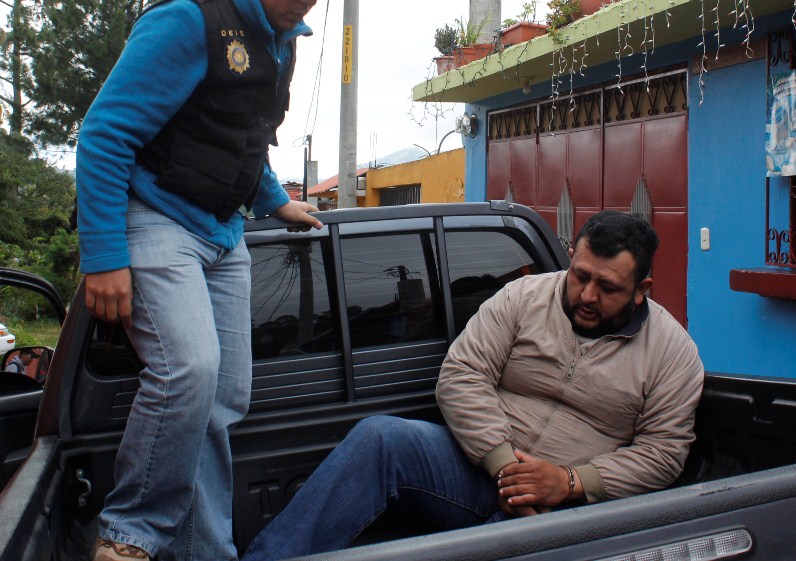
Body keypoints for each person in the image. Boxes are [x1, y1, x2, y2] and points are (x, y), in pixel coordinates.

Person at [241, 211, 705, 561]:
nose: (587, 295)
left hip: (570, 509)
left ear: (641, 289)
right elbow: (462, 374)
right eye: (580, 276)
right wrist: (504, 466)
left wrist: (568, 483)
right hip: (477, 468)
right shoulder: (523, 297)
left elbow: (664, 452)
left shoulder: (672, 352)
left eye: (607, 287)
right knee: (380, 437)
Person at [75, 0, 322, 560]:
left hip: (225, 233)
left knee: (221, 399)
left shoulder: (283, 38)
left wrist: (276, 201)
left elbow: (244, 135)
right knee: (188, 370)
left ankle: (205, 552)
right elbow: (105, 134)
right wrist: (105, 256)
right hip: (159, 216)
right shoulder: (190, 19)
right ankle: (128, 534)